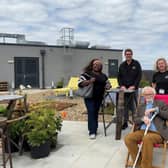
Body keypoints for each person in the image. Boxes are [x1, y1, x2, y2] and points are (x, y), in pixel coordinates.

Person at [124, 86, 168, 168]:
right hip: (142, 131)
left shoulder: (161, 103)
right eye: (146, 94)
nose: (148, 96)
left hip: (157, 132)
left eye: (150, 94)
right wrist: (142, 119)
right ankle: (140, 163)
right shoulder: (141, 106)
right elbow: (135, 120)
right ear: (143, 96)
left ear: (154, 95)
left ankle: (146, 166)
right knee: (128, 138)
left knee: (147, 138)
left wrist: (156, 110)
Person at [78, 58, 111, 139]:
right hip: (89, 97)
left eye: (98, 65)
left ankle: (94, 128)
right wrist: (89, 81)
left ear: (101, 66)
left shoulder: (103, 75)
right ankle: (92, 131)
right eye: (95, 64)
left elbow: (108, 83)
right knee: (91, 111)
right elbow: (80, 83)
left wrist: (108, 86)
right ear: (92, 65)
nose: (96, 66)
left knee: (95, 112)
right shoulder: (86, 74)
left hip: (99, 97)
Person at [118, 48, 142, 129]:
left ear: (132, 55)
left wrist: (134, 86)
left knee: (135, 107)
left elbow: (139, 76)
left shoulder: (136, 64)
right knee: (125, 107)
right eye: (127, 54)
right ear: (125, 55)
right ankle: (125, 123)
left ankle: (136, 124)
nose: (128, 55)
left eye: (129, 54)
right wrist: (122, 86)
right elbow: (119, 77)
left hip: (133, 89)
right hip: (124, 90)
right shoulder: (122, 65)